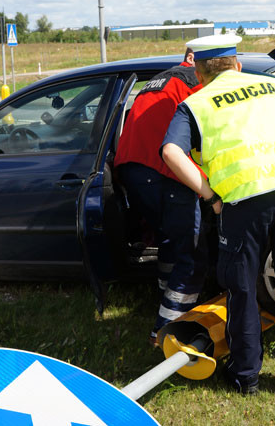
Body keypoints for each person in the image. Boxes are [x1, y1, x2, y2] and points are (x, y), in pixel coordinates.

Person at [161, 34, 275, 396]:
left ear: (198, 71)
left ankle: (245, 376)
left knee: (243, 289)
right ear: (237, 64)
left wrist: (209, 196)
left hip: (244, 199)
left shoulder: (196, 102)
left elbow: (171, 152)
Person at [114, 47, 205, 346]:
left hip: (131, 171)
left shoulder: (157, 80)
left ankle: (166, 294)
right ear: (195, 60)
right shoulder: (196, 81)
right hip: (165, 171)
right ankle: (166, 330)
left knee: (168, 238)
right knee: (189, 254)